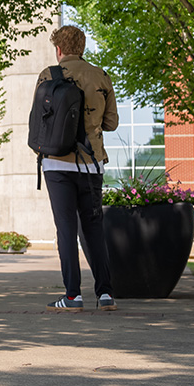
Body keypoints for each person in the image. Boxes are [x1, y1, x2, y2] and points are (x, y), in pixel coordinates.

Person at [40, 24, 119, 312]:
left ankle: (72, 296)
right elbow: (111, 123)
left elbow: (39, 123)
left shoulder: (49, 75)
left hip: (56, 163)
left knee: (66, 229)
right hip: (91, 164)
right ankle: (106, 294)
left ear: (58, 49)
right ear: (82, 47)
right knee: (93, 228)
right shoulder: (100, 75)